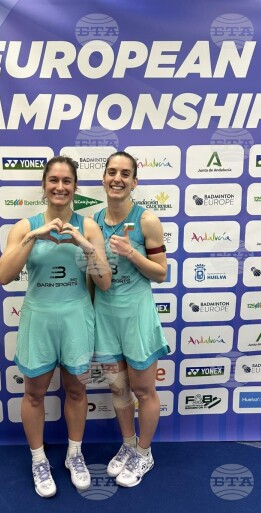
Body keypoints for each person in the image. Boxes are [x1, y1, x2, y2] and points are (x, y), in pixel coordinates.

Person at [0, 156, 111, 498]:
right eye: (54, 180)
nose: (60, 187)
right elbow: (3, 276)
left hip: (76, 317)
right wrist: (34, 236)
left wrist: (86, 246)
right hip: (39, 318)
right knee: (34, 393)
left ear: (75, 187)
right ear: (44, 185)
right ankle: (38, 459)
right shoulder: (24, 226)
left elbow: (104, 281)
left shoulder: (88, 226)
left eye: (67, 181)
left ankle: (75, 454)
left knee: (76, 391)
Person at [92, 150, 170, 488]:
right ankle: (127, 444)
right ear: (103, 179)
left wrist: (131, 252)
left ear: (134, 182)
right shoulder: (93, 222)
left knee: (143, 389)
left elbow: (161, 274)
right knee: (118, 387)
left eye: (125, 174)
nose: (117, 178)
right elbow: (92, 275)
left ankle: (144, 452)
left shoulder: (146, 220)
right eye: (112, 172)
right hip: (105, 317)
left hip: (137, 317)